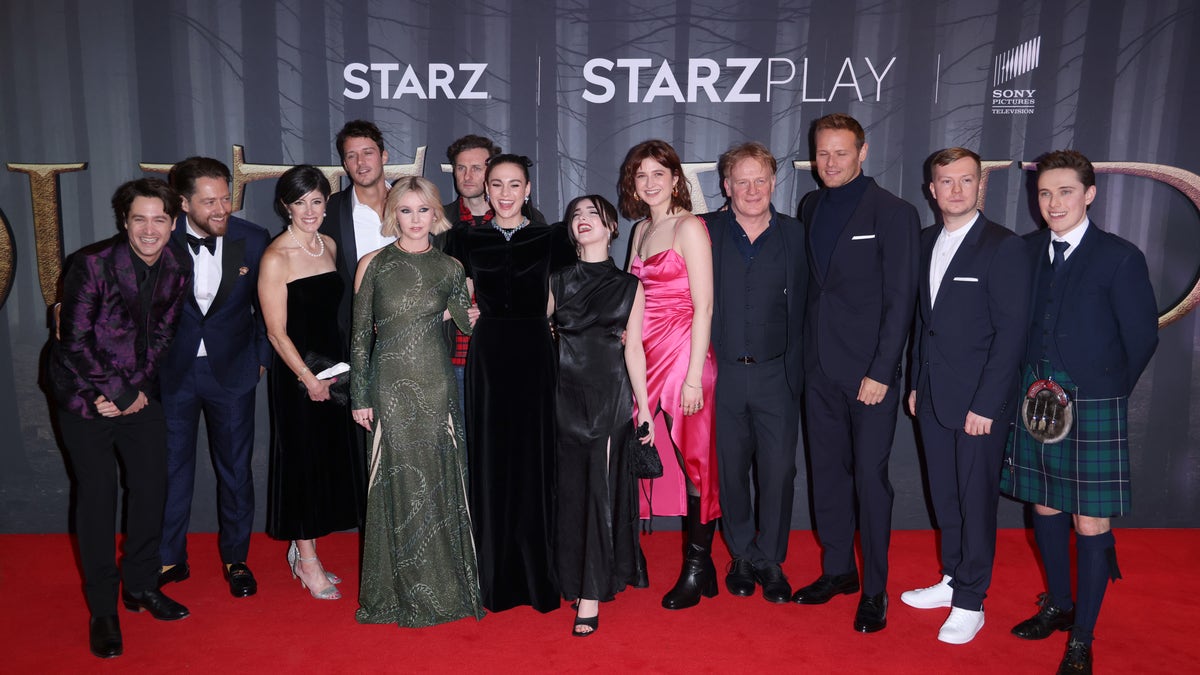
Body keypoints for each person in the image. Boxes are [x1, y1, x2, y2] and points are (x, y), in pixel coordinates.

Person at [1001, 149, 1158, 674]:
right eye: (1044, 193)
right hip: (1034, 395)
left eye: (1065, 191)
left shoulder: (1119, 256)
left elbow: (1140, 339)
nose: (1053, 202)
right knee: (1044, 505)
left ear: (1089, 194)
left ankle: (1082, 638)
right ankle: (1060, 605)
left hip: (1091, 400)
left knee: (1090, 521)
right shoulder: (1024, 252)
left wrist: (1102, 392)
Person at [49, 177, 192, 658]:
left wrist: (133, 391)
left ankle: (140, 585)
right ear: (124, 221)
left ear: (173, 222)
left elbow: (163, 337)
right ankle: (103, 609)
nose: (149, 230)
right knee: (98, 497)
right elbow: (74, 340)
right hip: (81, 394)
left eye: (159, 219)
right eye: (139, 219)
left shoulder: (176, 265)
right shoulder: (90, 264)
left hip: (137, 394)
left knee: (153, 487)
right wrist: (112, 392)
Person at [793, 113, 919, 633]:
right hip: (817, 367)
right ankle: (839, 570)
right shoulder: (811, 205)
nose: (830, 163)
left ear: (863, 153)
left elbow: (901, 300)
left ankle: (875, 590)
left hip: (869, 374)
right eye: (823, 153)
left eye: (841, 152)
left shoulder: (894, 212)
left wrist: (883, 370)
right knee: (827, 476)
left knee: (870, 479)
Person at [902, 147, 1031, 644]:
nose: (955, 190)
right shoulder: (924, 240)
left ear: (981, 186)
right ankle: (953, 577)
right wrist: (915, 381)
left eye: (965, 180)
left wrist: (987, 404)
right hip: (932, 395)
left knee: (975, 501)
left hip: (978, 402)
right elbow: (923, 324)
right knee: (946, 496)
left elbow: (1011, 334)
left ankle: (971, 600)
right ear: (931, 189)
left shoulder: (1004, 246)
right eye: (945, 181)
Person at [349, 177, 484, 627]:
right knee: (393, 483)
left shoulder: (449, 267)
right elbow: (359, 336)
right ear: (394, 214)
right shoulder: (374, 264)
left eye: (422, 210)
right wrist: (359, 395)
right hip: (388, 386)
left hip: (435, 384)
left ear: (435, 214)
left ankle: (446, 588)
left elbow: (465, 326)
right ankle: (394, 591)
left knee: (439, 479)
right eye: (405, 211)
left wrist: (468, 307)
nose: (414, 219)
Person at [444, 153, 575, 613]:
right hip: (488, 354)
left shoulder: (552, 236)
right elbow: (448, 294)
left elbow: (567, 297)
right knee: (490, 457)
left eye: (513, 185)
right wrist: (465, 309)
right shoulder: (463, 237)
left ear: (527, 190)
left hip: (537, 352)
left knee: (536, 458)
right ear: (485, 186)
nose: (503, 193)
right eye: (496, 183)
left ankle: (540, 572)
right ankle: (492, 575)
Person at [158, 157, 271, 599]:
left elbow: (268, 306)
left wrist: (261, 358)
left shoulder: (253, 238)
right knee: (171, 470)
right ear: (183, 203)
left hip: (233, 373)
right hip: (173, 373)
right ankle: (169, 557)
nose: (223, 207)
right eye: (210, 201)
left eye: (226, 196)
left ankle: (236, 558)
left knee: (236, 472)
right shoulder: (159, 239)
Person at [699, 142, 807, 604]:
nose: (750, 189)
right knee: (731, 469)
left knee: (780, 471)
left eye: (759, 179)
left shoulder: (797, 236)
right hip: (722, 374)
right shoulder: (704, 231)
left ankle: (770, 558)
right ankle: (741, 553)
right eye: (740, 181)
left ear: (773, 183)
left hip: (777, 374)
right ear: (726, 186)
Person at [617, 139, 720, 611]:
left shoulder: (689, 227)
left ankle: (697, 568)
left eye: (659, 173)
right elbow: (632, 301)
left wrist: (695, 375)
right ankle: (634, 555)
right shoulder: (639, 231)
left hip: (684, 354)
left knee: (695, 460)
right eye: (642, 175)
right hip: (643, 354)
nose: (651, 182)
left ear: (676, 179)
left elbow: (705, 306)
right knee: (635, 446)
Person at [259, 165, 366, 601]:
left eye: (317, 200)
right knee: (302, 465)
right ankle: (307, 561)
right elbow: (275, 331)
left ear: (327, 202)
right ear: (285, 205)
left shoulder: (330, 245)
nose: (309, 210)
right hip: (297, 377)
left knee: (326, 462)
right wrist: (307, 379)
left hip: (334, 371)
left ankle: (305, 551)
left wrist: (340, 372)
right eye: (299, 201)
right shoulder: (275, 256)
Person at [551, 195, 652, 637]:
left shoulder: (630, 286)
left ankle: (591, 593)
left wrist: (644, 406)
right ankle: (574, 577)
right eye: (577, 215)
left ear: (611, 227)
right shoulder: (555, 281)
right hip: (562, 397)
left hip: (610, 394)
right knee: (570, 492)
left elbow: (634, 349)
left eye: (593, 213)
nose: (584, 220)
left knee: (599, 491)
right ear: (571, 229)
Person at [436, 134, 546, 423]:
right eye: (461, 167)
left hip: (512, 353)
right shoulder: (438, 222)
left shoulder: (533, 222)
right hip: (453, 357)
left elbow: (544, 291)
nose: (468, 175)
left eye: (477, 167)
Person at [319, 120, 396, 338]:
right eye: (352, 156)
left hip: (409, 338)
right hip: (351, 337)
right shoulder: (328, 212)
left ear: (384, 156)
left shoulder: (412, 206)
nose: (360, 162)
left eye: (368, 153)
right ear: (345, 164)